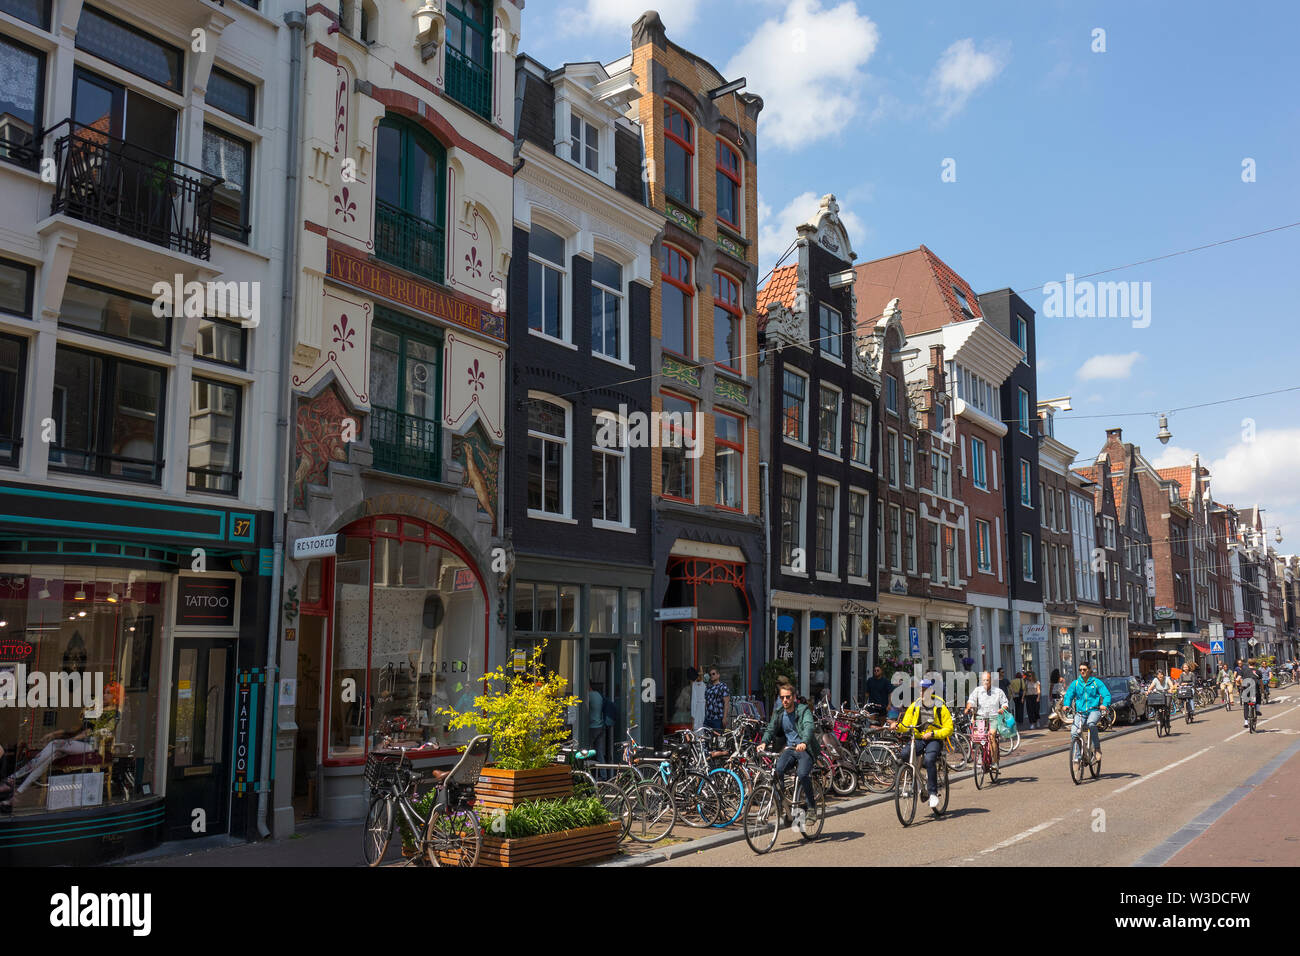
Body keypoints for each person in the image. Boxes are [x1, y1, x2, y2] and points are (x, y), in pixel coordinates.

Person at [1, 714, 99, 812]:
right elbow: (73, 730)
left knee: (55, 744)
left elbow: (89, 732)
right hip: (76, 744)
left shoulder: (103, 713)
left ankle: (12, 778)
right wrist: (52, 734)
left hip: (91, 744)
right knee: (47, 759)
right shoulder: (89, 711)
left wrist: (70, 740)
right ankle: (17, 794)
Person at [759, 682, 819, 831]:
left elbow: (809, 726)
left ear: (794, 697)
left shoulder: (803, 710)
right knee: (778, 770)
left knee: (803, 774)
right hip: (789, 749)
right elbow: (770, 728)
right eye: (782, 697)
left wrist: (804, 742)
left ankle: (811, 808)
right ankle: (781, 804)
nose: (784, 700)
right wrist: (763, 743)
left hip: (805, 750)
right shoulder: (779, 712)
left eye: (787, 697)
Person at [892, 678, 954, 809]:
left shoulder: (940, 706)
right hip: (919, 738)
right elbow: (906, 723)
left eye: (924, 689)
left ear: (931, 691)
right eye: (920, 689)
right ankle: (916, 782)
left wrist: (933, 734)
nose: (921, 692)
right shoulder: (915, 705)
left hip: (934, 738)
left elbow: (949, 728)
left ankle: (932, 793)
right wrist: (897, 726)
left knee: (930, 759)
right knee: (904, 754)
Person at [1063, 662, 1111, 761]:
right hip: (1080, 712)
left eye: (1084, 669)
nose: (1082, 671)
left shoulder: (1096, 682)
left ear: (1089, 670)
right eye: (1080, 670)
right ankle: (1076, 758)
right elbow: (1068, 695)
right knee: (1074, 733)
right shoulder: (1076, 683)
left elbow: (1106, 695)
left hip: (1094, 711)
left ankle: (1097, 748)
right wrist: (1066, 704)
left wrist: (1104, 705)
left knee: (1091, 723)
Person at [965, 671, 1011, 769]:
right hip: (980, 717)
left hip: (994, 717)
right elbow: (971, 701)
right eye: (984, 680)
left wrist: (1002, 709)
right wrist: (968, 707)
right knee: (977, 737)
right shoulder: (977, 690)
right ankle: (981, 754)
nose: (986, 682)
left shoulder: (998, 691)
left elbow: (1005, 703)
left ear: (991, 681)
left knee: (991, 736)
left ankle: (994, 762)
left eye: (988, 680)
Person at [704, 666, 730, 731]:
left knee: (717, 739)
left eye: (713, 674)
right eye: (710, 674)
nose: (711, 676)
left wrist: (724, 718)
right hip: (708, 718)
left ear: (718, 675)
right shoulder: (708, 687)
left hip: (718, 719)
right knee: (707, 739)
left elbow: (726, 703)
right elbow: (706, 702)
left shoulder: (723, 687)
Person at [1237, 661, 1261, 728]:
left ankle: (1246, 722)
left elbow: (1238, 679)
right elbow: (1260, 681)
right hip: (1255, 689)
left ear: (1248, 664)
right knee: (1258, 697)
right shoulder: (1258, 671)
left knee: (1246, 704)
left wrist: (1240, 685)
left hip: (1246, 689)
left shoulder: (1244, 671)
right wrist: (1262, 689)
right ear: (1255, 664)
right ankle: (1257, 709)